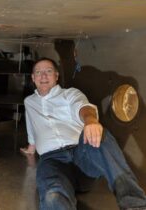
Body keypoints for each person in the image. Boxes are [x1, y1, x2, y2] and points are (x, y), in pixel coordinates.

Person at [21, 57, 146, 210]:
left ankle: (135, 205)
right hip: (52, 161)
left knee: (101, 136)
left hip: (82, 157)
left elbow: (83, 107)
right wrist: (31, 145)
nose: (44, 76)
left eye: (48, 71)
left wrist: (91, 121)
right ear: (33, 78)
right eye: (39, 72)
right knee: (51, 196)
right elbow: (31, 124)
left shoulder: (70, 94)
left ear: (56, 76)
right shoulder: (29, 102)